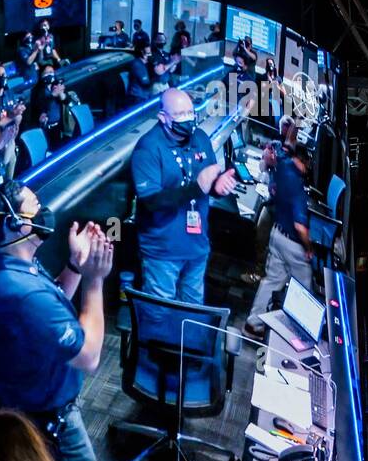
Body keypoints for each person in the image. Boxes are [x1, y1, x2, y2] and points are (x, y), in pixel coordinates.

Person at [0, 180, 115, 461]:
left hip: (28, 408)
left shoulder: (10, 266)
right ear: (17, 225)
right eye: (35, 208)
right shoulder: (21, 292)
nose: (44, 212)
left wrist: (77, 266)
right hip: (46, 420)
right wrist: (95, 280)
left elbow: (52, 302)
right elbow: (89, 356)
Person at [131, 88, 236, 303]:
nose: (187, 119)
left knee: (192, 312)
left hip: (197, 247)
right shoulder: (148, 149)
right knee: (160, 315)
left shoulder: (200, 138)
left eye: (190, 112)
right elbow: (151, 202)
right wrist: (197, 187)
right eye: (180, 115)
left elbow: (209, 181)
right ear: (163, 117)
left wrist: (218, 186)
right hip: (163, 252)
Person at [244, 143, 313, 338]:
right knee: (304, 288)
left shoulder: (282, 166)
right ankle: (299, 335)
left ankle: (253, 324)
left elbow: (284, 147)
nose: (307, 169)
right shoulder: (297, 186)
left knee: (272, 280)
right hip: (292, 244)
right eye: (307, 164)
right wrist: (308, 248)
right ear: (302, 161)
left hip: (276, 234)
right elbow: (300, 227)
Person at [242, 114, 297, 285]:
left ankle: (260, 273)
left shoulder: (287, 157)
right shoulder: (279, 146)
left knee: (261, 234)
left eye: (284, 128)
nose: (281, 131)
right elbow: (263, 167)